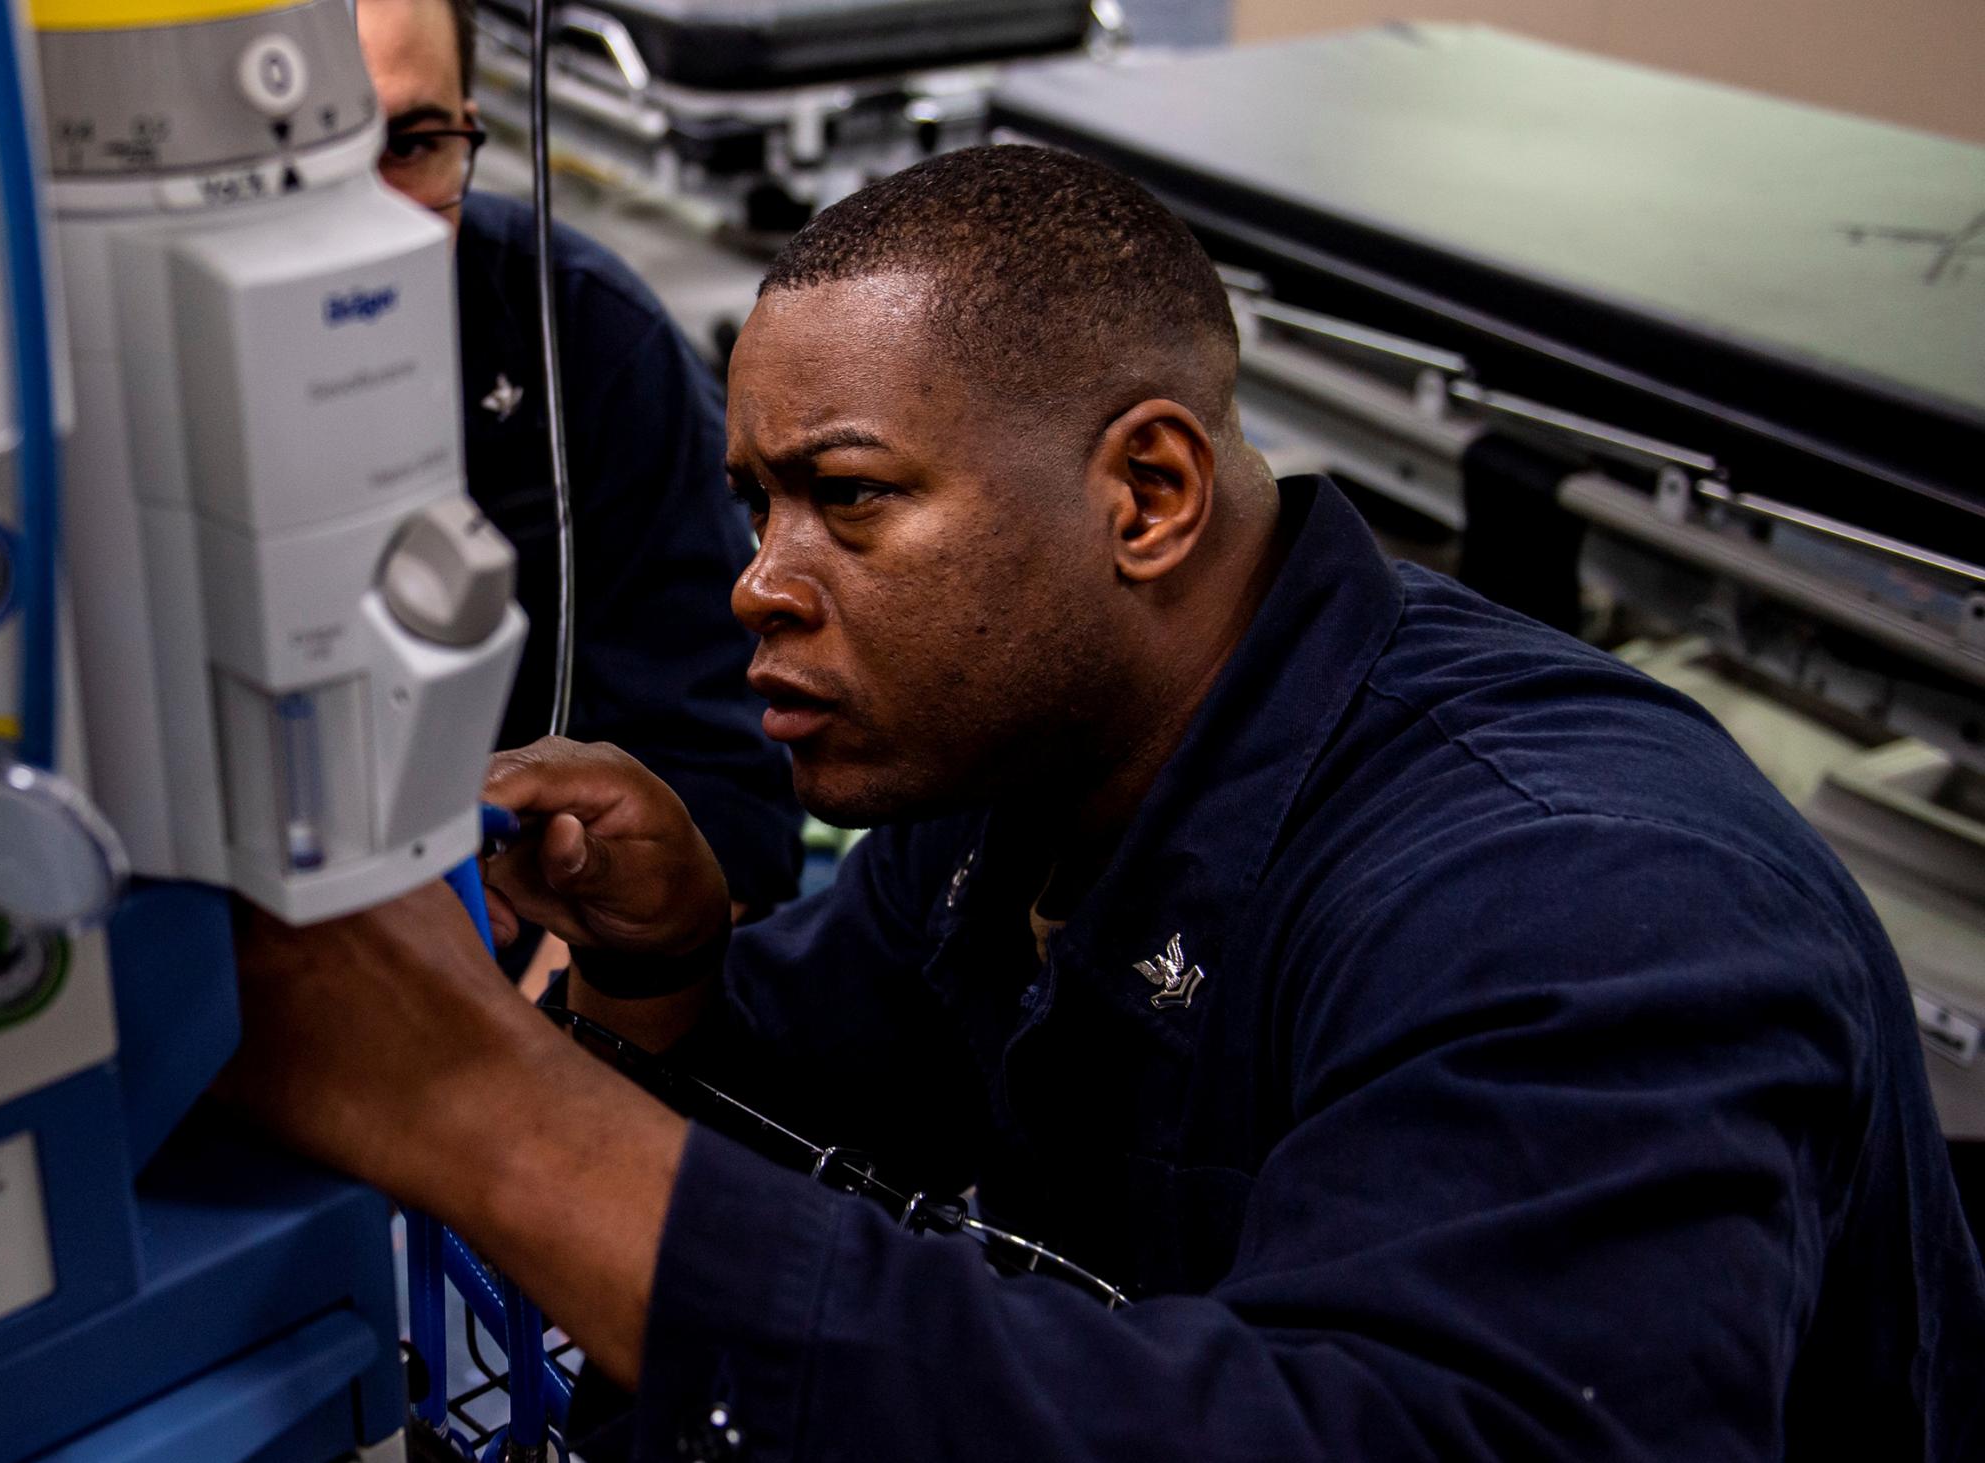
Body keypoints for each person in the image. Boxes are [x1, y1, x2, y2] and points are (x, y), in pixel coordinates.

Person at [219, 145, 1985, 1457]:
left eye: (847, 497)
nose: (762, 578)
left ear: (1145, 491)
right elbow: (861, 1090)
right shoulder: (1016, 771)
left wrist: (483, 1108)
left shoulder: (1586, 902)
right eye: (756, 503)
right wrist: (681, 979)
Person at [354, 0, 803, 930]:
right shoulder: (70, 379)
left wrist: (564, 1014)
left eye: (411, 145)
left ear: (473, 130)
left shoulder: (586, 340)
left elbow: (727, 804)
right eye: (304, 160)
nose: (367, 230)